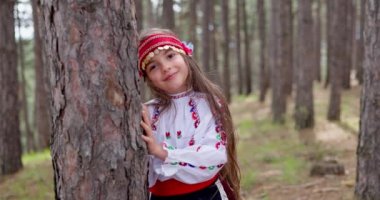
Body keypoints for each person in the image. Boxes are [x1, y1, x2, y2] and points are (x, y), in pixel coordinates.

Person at [139, 28, 240, 200]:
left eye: (170, 56)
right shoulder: (147, 112)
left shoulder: (209, 104)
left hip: (205, 195)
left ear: (185, 56)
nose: (166, 67)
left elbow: (215, 154)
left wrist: (164, 152)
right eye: (153, 66)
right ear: (147, 77)